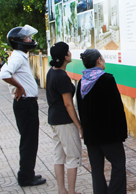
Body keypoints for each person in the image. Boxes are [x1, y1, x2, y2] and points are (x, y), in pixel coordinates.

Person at [0, 25, 46, 187]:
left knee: (30, 140)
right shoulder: (18, 57)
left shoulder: (20, 57)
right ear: (19, 42)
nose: (30, 40)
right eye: (26, 38)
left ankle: (28, 173)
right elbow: (4, 74)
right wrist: (19, 87)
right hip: (25, 105)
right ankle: (26, 177)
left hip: (27, 105)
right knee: (29, 141)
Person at [76, 49, 128, 194]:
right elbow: (117, 109)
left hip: (91, 136)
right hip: (109, 135)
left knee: (97, 168)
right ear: (99, 60)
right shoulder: (107, 79)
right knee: (118, 164)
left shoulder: (81, 83)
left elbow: (81, 109)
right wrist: (122, 132)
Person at [46, 42, 83, 194]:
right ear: (65, 57)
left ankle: (62, 190)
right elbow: (68, 104)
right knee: (72, 157)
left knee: (59, 156)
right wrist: (79, 125)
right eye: (68, 52)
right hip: (65, 121)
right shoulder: (62, 77)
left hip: (54, 119)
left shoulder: (51, 72)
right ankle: (72, 191)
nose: (70, 53)